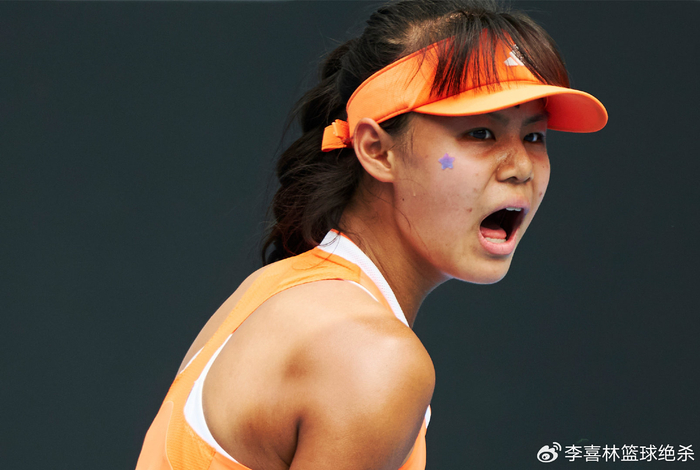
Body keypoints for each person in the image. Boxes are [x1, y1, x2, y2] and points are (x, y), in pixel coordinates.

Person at [135, 0, 607, 469]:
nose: (521, 166)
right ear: (377, 150)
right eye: (481, 133)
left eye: (534, 136)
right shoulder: (373, 357)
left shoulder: (274, 289)